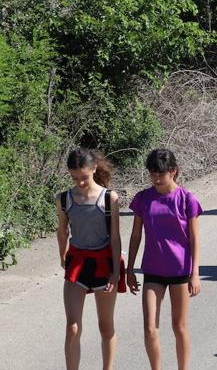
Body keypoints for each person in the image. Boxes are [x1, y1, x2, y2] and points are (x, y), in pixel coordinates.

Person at [126, 149, 203, 370]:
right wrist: (129, 269)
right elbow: (135, 236)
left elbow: (195, 238)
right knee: (150, 327)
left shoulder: (187, 199)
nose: (156, 178)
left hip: (180, 271)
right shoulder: (143, 198)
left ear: (173, 171)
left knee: (179, 326)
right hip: (152, 270)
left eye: (161, 173)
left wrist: (195, 274)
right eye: (152, 173)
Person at [57, 148, 122, 370]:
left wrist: (116, 271)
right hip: (77, 264)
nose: (80, 182)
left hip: (104, 265)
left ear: (94, 169)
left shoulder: (109, 198)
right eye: (75, 178)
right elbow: (62, 229)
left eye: (84, 177)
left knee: (106, 326)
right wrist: (62, 253)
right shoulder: (64, 198)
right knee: (72, 327)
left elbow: (114, 237)